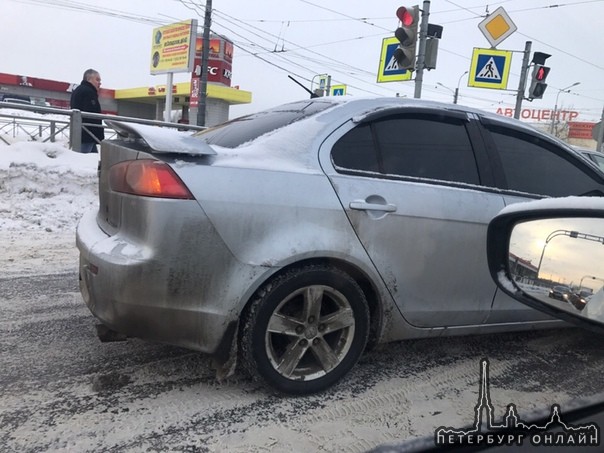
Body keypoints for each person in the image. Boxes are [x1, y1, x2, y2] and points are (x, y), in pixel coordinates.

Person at [70, 69, 104, 153]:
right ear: (89, 79)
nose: (100, 83)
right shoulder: (88, 92)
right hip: (87, 134)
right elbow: (91, 115)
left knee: (92, 161)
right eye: (97, 79)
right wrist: (98, 134)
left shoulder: (79, 90)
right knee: (82, 160)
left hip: (82, 132)